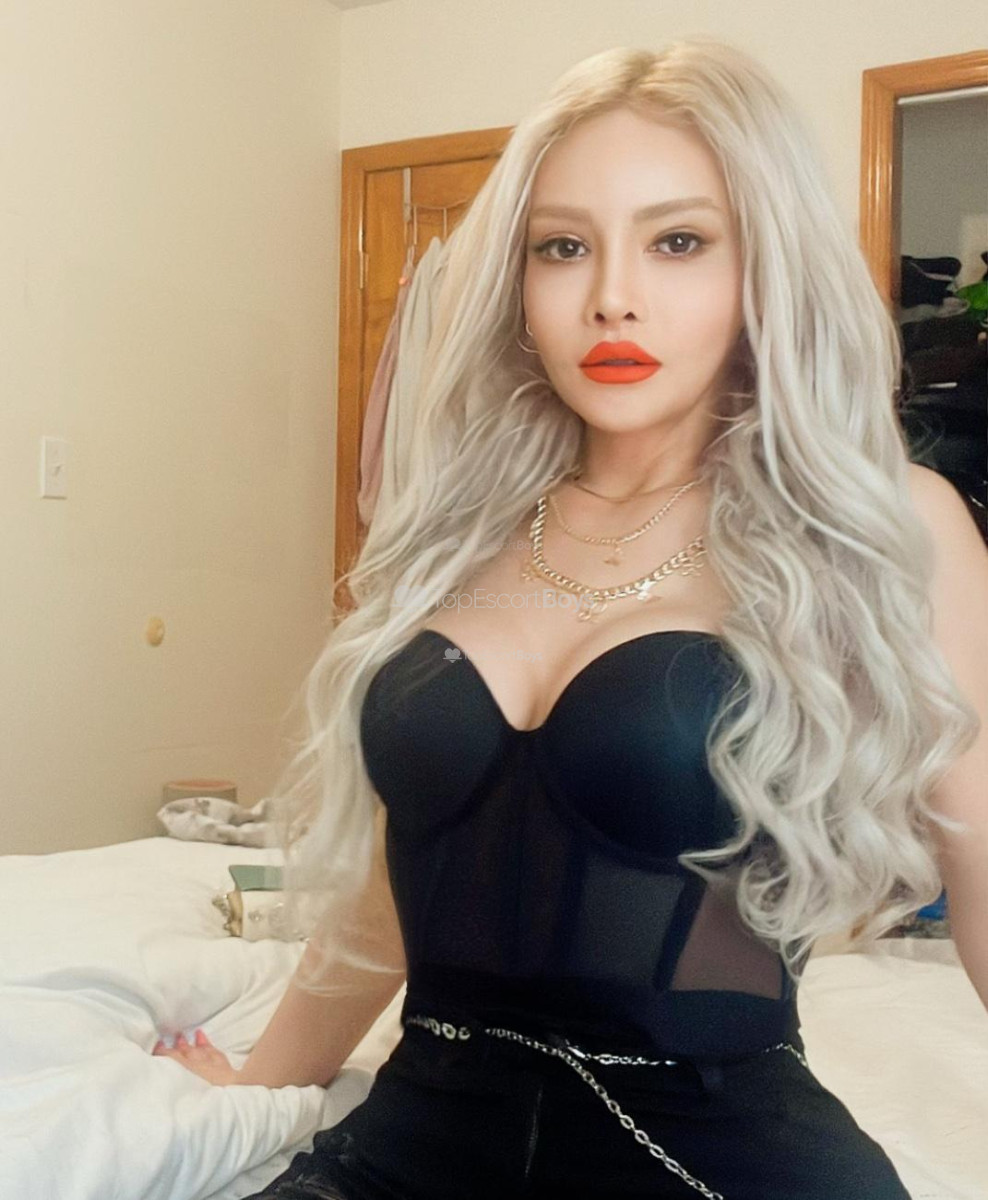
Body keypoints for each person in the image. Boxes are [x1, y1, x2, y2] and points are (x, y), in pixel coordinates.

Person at [153, 36, 988, 1199]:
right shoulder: (456, 527)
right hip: (413, 1147)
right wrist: (259, 1081)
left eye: (678, 241)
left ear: (766, 267)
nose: (611, 296)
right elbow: (396, 895)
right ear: (518, 284)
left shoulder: (881, 527)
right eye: (562, 247)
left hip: (709, 1161)